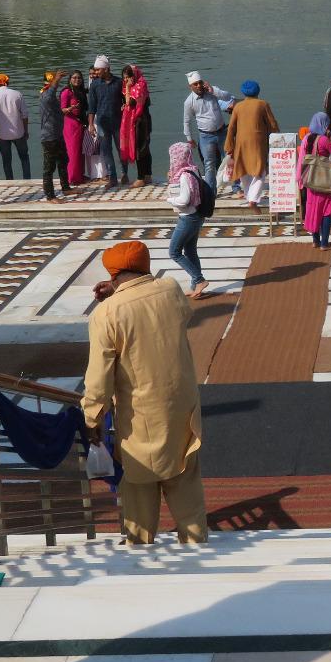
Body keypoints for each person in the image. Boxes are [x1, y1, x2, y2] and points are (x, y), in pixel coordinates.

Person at [84, 241, 207, 546]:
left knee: (139, 484)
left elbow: (99, 378)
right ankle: (195, 543)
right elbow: (166, 314)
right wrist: (121, 292)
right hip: (183, 407)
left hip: (141, 415)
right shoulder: (171, 289)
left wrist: (92, 419)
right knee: (184, 478)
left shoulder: (106, 314)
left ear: (112, 273)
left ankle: (139, 551)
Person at [165, 143, 210, 298]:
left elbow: (184, 200)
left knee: (174, 252)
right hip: (197, 216)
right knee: (190, 251)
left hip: (188, 218)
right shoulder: (193, 169)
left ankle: (199, 280)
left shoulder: (184, 175)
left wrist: (170, 200)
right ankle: (195, 286)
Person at [224, 79, 278, 208]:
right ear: (258, 91)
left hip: (241, 143)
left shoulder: (238, 106)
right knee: (260, 170)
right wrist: (277, 137)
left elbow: (231, 128)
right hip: (258, 143)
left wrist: (229, 146)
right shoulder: (263, 104)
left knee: (244, 170)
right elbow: (272, 124)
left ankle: (250, 197)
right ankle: (253, 199)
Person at [299, 112, 331, 250]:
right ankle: (324, 243)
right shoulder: (324, 140)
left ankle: (315, 241)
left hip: (311, 180)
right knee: (326, 211)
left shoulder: (307, 138)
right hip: (324, 181)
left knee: (313, 210)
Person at [183, 71, 233, 189]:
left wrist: (213, 91)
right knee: (209, 165)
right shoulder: (189, 102)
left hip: (222, 132)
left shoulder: (212, 91)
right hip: (206, 136)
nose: (199, 86)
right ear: (190, 87)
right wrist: (189, 138)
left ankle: (236, 188)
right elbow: (186, 121)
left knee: (231, 159)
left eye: (200, 83)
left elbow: (228, 97)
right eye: (195, 84)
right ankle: (211, 192)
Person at [88, 55, 125, 187]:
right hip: (102, 123)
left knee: (122, 149)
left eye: (98, 70)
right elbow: (91, 106)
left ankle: (124, 173)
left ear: (106, 69)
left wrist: (124, 105)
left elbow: (126, 100)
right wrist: (91, 125)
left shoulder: (119, 82)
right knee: (106, 150)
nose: (96, 72)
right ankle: (113, 178)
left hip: (118, 122)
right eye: (96, 70)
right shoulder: (95, 85)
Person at [0, 74, 31, 181]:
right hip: (19, 133)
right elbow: (24, 115)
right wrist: (26, 131)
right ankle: (27, 180)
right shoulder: (17, 94)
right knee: (24, 158)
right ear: (8, 82)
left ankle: (10, 181)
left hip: (3, 135)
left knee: (6, 161)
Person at [37, 70, 71, 204]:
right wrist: (57, 79)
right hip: (49, 137)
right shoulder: (46, 95)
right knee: (49, 168)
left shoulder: (50, 97)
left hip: (57, 135)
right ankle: (50, 196)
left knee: (63, 161)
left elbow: (53, 112)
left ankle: (66, 188)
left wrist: (64, 111)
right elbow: (51, 92)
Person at [119, 65, 153, 186]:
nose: (127, 80)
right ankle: (147, 175)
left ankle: (141, 177)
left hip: (140, 122)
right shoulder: (138, 85)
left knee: (139, 148)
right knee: (144, 148)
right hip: (140, 120)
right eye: (125, 78)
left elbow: (130, 102)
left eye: (128, 77)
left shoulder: (139, 86)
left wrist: (128, 88)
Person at [60, 71, 89, 186]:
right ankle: (72, 178)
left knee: (80, 152)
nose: (77, 80)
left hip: (80, 124)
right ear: (70, 79)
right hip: (71, 124)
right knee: (73, 151)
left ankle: (80, 175)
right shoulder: (66, 92)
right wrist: (70, 108)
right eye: (74, 78)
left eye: (79, 78)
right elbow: (62, 109)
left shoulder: (80, 91)